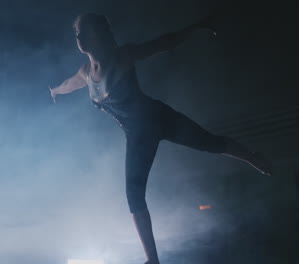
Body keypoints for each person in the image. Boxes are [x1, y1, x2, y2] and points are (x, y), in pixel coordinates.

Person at [49, 13, 272, 264]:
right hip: (137, 135)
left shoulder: (121, 57)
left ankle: (253, 158)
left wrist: (196, 26)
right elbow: (70, 83)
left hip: (157, 117)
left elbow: (163, 43)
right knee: (134, 196)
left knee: (210, 143)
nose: (79, 36)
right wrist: (55, 90)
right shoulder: (85, 72)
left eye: (84, 31)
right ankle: (152, 260)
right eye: (77, 32)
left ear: (98, 34)